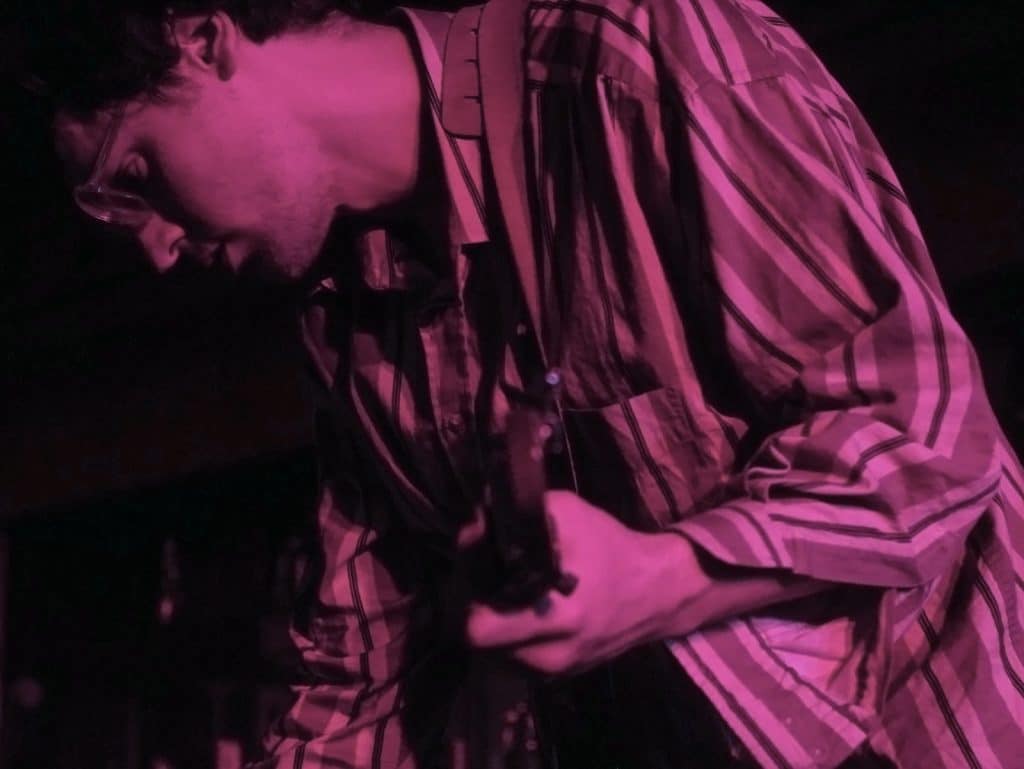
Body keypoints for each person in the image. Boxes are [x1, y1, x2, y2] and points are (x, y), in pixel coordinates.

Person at [10, 0, 1024, 766]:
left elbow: (923, 428)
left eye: (131, 176)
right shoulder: (336, 310)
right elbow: (368, 664)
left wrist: (667, 576)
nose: (148, 253)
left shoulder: (641, 60)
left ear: (204, 36)